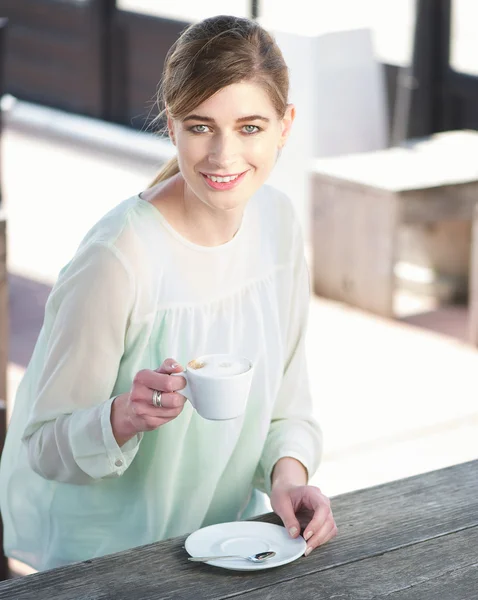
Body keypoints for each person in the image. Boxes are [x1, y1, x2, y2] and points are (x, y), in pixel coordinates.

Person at [0, 15, 336, 571]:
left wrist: (290, 478)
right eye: (201, 126)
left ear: (285, 125)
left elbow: (288, 404)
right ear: (172, 125)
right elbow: (41, 444)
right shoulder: (119, 257)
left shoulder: (279, 225)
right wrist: (122, 418)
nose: (224, 156)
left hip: (228, 547)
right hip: (106, 562)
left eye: (250, 127)